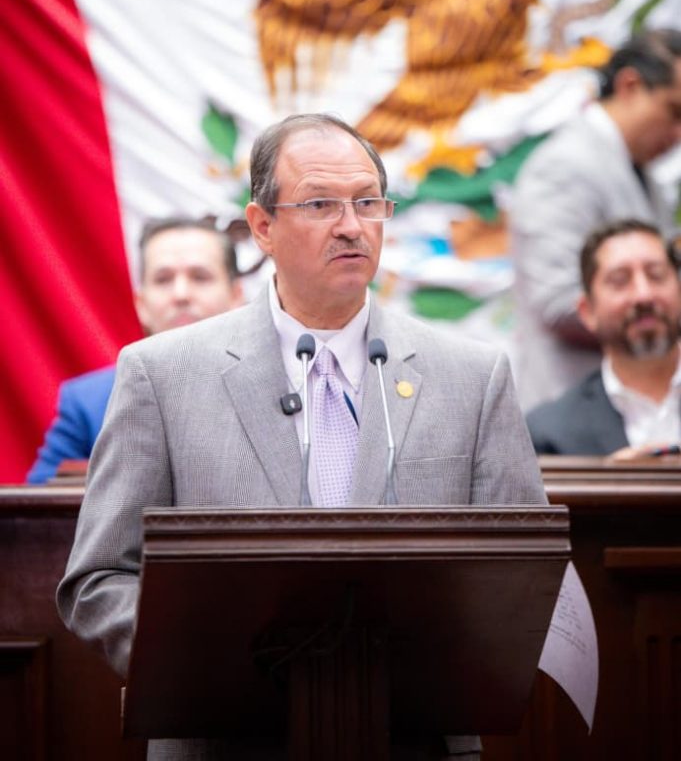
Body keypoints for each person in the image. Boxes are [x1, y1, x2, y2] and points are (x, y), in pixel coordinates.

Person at [58, 113, 545, 761]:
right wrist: (201, 662)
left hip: (413, 738)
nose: (351, 226)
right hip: (224, 740)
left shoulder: (472, 377)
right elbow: (98, 579)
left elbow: (524, 574)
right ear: (262, 226)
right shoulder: (162, 374)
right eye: (320, 204)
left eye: (367, 202)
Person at [510, 27, 681, 411]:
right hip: (572, 412)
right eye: (674, 112)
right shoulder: (563, 165)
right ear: (630, 86)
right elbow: (557, 300)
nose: (678, 134)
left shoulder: (647, 177)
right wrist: (665, 311)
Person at [27, 216, 243, 483]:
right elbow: (41, 502)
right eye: (163, 279)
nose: (181, 294)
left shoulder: (275, 382)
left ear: (236, 295)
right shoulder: (88, 402)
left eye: (200, 277)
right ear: (141, 303)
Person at [527, 219, 681, 457]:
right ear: (587, 311)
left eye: (656, 275)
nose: (643, 295)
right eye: (620, 280)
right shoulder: (549, 433)